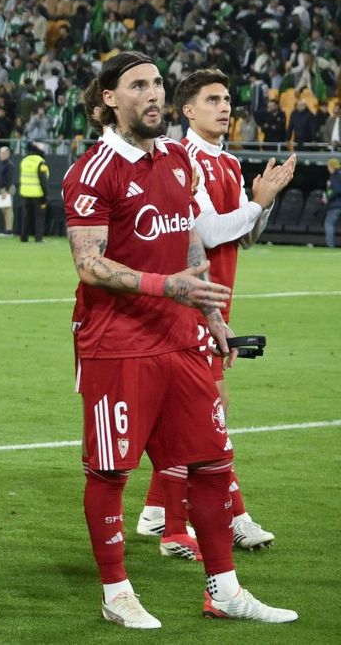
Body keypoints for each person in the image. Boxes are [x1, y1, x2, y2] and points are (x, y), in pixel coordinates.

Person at [61, 52, 296, 628]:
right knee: (111, 472)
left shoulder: (174, 158)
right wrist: (164, 286)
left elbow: (190, 238)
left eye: (158, 83)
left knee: (212, 463)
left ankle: (225, 589)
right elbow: (90, 264)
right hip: (118, 344)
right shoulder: (91, 172)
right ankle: (117, 593)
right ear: (110, 99)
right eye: (138, 85)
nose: (153, 94)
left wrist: (213, 318)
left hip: (183, 339)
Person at [134, 70, 296, 553]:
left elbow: (244, 236)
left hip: (215, 304)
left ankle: (156, 512)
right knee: (208, 416)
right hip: (189, 303)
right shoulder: (183, 159)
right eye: (212, 100)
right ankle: (232, 517)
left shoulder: (225, 162)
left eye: (227, 99)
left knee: (194, 418)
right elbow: (205, 231)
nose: (225, 107)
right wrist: (256, 204)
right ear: (188, 111)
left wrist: (262, 206)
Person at [18, 142, 49, 242]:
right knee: (39, 216)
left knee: (27, 216)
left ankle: (24, 237)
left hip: (26, 193)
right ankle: (38, 238)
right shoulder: (40, 162)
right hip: (38, 193)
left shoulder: (24, 160)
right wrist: (46, 194)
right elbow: (43, 180)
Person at [0, 145, 15, 234]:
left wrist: (6, 190)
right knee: (5, 210)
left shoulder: (9, 165)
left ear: (7, 154)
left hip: (7, 189)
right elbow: (3, 177)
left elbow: (9, 179)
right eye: (0, 153)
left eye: (3, 153)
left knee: (8, 209)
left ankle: (9, 230)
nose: (1, 155)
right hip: (3, 188)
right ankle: (7, 229)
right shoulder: (4, 164)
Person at [326, 159, 341, 248]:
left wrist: (328, 196)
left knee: (329, 224)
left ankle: (330, 245)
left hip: (336, 205)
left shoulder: (335, 176)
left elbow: (337, 190)